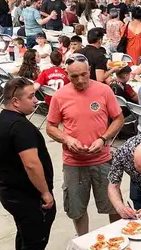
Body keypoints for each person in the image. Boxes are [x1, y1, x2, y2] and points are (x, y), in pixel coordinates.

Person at [0, 78, 57, 250]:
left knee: (25, 236)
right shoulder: (21, 127)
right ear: (16, 101)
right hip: (26, 197)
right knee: (35, 242)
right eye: (31, 97)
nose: (36, 101)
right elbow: (31, 164)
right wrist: (45, 193)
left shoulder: (3, 119)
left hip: (10, 192)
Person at [46, 54, 124, 235]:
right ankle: (83, 242)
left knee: (113, 205)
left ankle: (116, 240)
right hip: (74, 163)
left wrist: (103, 139)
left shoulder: (104, 91)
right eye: (74, 76)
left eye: (83, 74)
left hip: (102, 160)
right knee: (77, 208)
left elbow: (118, 119)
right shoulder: (60, 96)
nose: (80, 80)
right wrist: (67, 139)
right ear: (67, 74)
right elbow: (50, 127)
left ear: (89, 71)